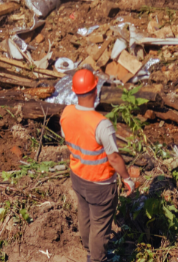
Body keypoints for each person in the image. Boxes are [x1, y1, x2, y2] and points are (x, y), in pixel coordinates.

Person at [61, 68, 135, 262]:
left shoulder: (67, 112)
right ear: (96, 91)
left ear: (75, 91)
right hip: (100, 184)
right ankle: (97, 258)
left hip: (77, 176)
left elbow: (67, 137)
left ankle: (89, 250)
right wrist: (127, 178)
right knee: (100, 226)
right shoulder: (102, 124)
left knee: (84, 216)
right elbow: (115, 159)